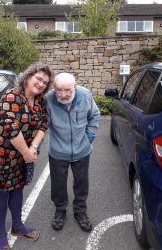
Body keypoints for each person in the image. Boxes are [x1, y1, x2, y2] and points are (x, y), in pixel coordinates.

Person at [0, 62, 53, 250]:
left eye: (45, 82)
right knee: (2, 191)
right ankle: (1, 233)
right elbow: (12, 131)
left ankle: (18, 226)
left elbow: (43, 125)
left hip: (24, 152)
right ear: (28, 77)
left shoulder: (40, 101)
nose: (41, 84)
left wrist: (34, 147)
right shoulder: (11, 96)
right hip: (1, 153)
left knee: (18, 188)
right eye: (38, 79)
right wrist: (27, 153)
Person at [45, 72, 100, 232]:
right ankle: (60, 210)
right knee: (58, 184)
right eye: (59, 90)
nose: (62, 95)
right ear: (54, 88)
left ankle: (80, 211)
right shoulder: (48, 99)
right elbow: (43, 123)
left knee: (82, 183)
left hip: (82, 150)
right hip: (57, 151)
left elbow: (94, 115)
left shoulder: (85, 95)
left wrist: (88, 137)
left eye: (67, 90)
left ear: (74, 87)